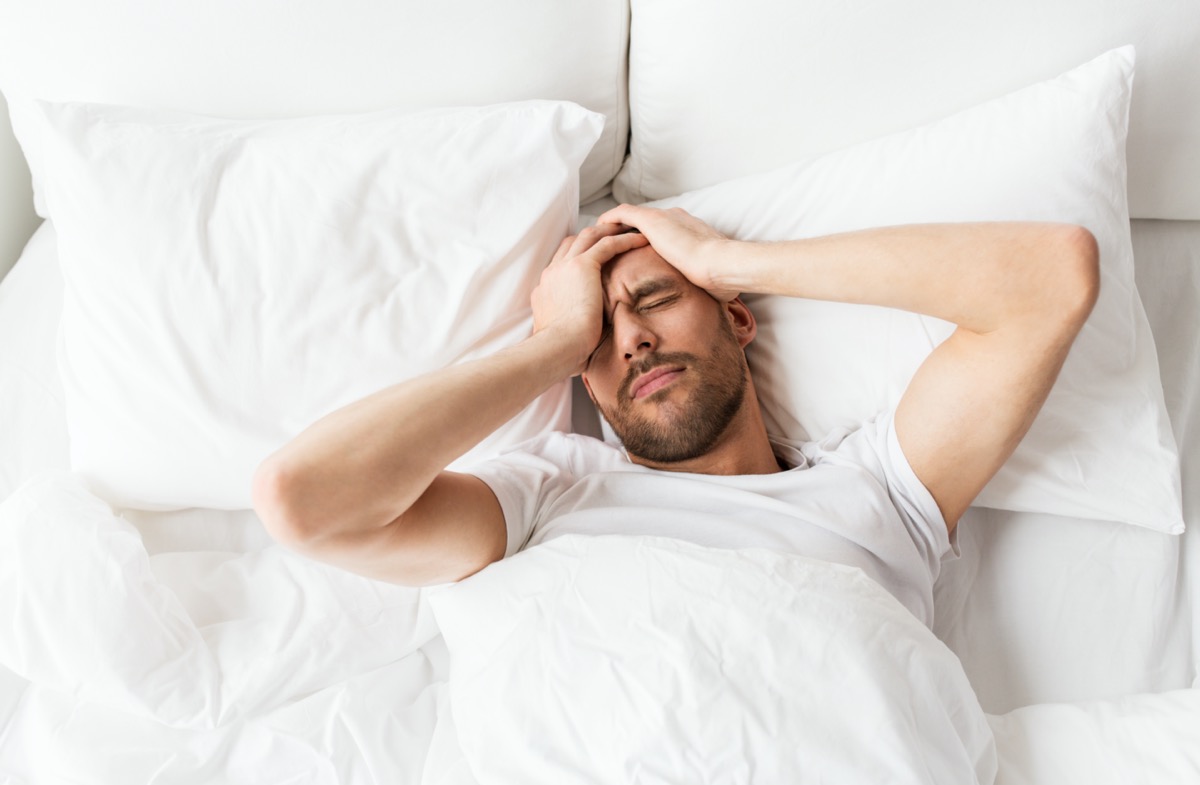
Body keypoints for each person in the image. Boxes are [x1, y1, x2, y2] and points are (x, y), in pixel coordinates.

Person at [251, 205, 1098, 626]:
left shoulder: (881, 490)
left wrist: (728, 259)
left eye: (655, 298)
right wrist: (552, 346)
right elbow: (304, 497)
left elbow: (1053, 276)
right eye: (600, 340)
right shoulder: (546, 495)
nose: (633, 341)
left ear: (736, 317)